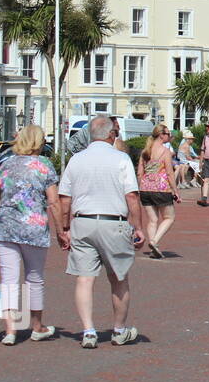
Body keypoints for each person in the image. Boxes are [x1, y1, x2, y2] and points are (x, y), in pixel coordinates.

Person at [57, 115, 146, 348]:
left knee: (84, 279)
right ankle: (118, 330)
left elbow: (64, 198)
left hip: (82, 222)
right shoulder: (121, 158)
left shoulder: (76, 160)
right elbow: (132, 196)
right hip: (112, 221)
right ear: (110, 135)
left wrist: (64, 228)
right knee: (118, 277)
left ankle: (88, 331)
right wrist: (138, 227)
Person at [0, 124, 63, 345]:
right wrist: (61, 230)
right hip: (34, 227)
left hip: (5, 227)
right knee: (34, 278)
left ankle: (10, 330)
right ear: (39, 142)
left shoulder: (5, 165)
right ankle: (37, 326)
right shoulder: (44, 166)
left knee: (9, 279)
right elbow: (53, 202)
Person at [137, 124, 180, 259]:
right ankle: (154, 241)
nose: (169, 136)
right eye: (167, 134)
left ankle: (153, 246)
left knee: (153, 219)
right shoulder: (165, 151)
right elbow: (169, 172)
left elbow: (139, 173)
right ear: (161, 135)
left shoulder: (145, 151)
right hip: (161, 188)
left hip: (145, 188)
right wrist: (175, 190)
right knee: (169, 217)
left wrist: (140, 187)